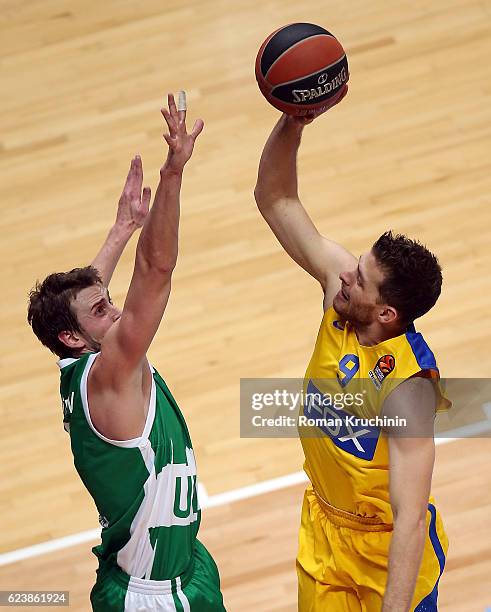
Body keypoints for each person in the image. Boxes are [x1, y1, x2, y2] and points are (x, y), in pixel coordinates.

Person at [28, 93, 226, 612]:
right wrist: (174, 174)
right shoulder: (111, 373)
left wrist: (121, 228)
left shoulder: (75, 363)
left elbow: (89, 295)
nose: (114, 314)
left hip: (174, 567)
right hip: (155, 597)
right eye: (102, 312)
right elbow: (155, 272)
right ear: (74, 337)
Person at [254, 90, 449, 612]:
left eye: (359, 278)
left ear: (387, 314)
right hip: (323, 531)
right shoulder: (338, 299)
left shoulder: (410, 389)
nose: (344, 273)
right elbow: (276, 200)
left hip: (385, 558)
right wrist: (294, 121)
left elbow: (411, 517)